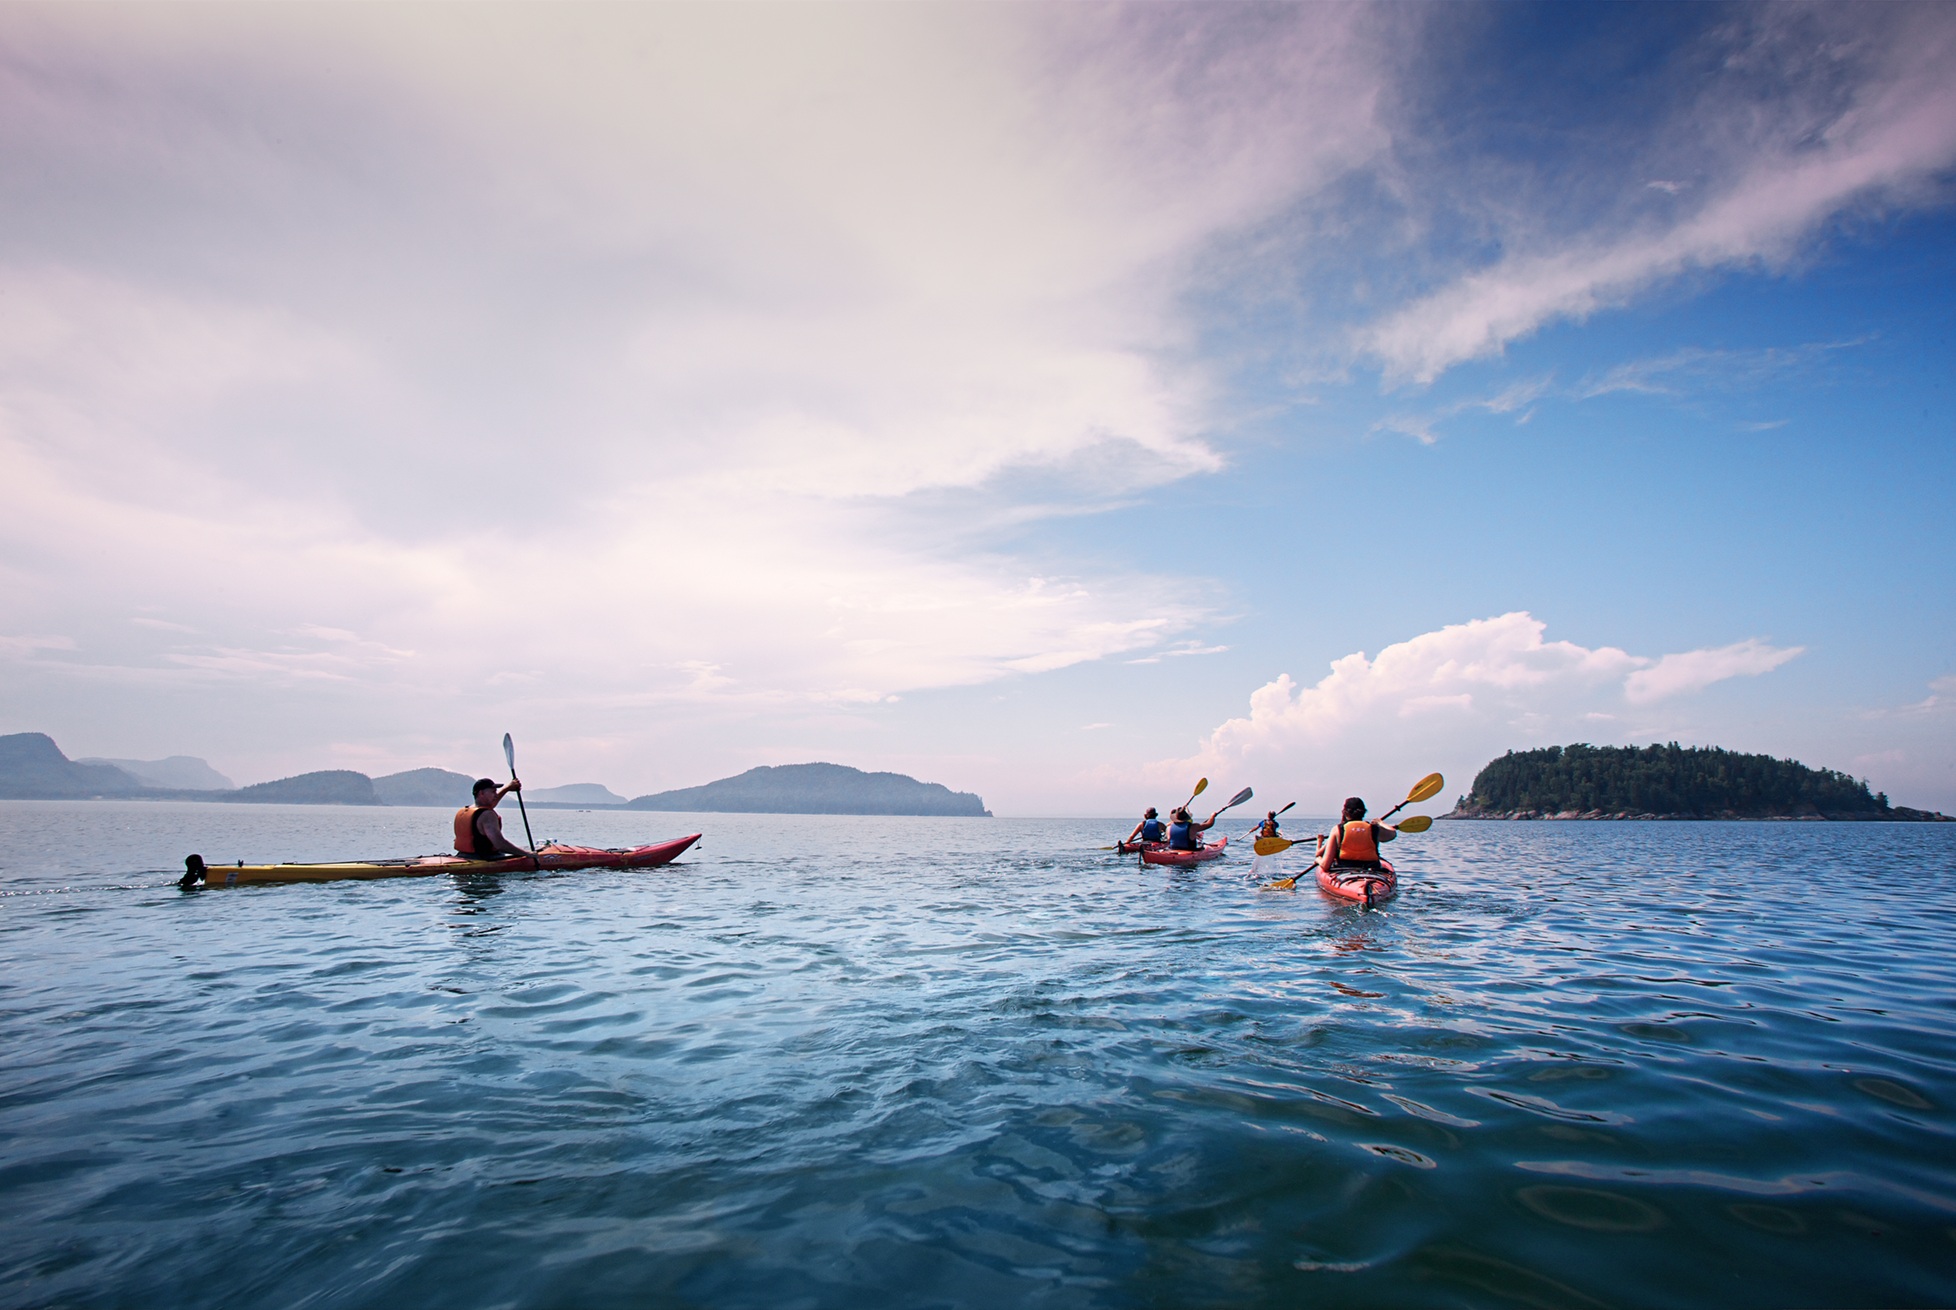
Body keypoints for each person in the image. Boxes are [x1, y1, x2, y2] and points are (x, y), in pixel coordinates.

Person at [454, 777, 533, 860]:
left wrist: (508, 788)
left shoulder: (466, 810)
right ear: (481, 793)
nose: (496, 795)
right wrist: (527, 854)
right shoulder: (487, 815)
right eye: (493, 792)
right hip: (486, 858)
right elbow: (500, 844)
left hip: (462, 856)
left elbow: (490, 805)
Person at [1318, 796, 1397, 872]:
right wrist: (1380, 822)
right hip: (1372, 869)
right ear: (1364, 812)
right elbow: (1393, 834)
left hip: (1344, 869)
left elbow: (1326, 865)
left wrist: (1317, 859)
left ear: (1345, 812)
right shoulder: (1374, 829)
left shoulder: (1337, 829)